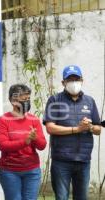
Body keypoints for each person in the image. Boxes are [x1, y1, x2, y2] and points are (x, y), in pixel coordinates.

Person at [43, 65, 101, 200]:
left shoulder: (90, 101)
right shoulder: (55, 100)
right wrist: (77, 129)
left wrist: (90, 126)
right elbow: (50, 128)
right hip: (61, 161)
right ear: (63, 83)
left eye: (76, 79)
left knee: (81, 197)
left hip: (83, 160)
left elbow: (98, 129)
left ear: (82, 80)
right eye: (70, 79)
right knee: (62, 197)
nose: (74, 82)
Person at [0, 84, 47, 200]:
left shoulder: (34, 120)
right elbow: (2, 145)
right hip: (9, 172)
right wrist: (25, 141)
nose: (27, 102)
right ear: (13, 101)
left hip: (32, 171)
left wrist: (35, 138)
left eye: (28, 99)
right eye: (24, 100)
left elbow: (42, 145)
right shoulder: (3, 120)